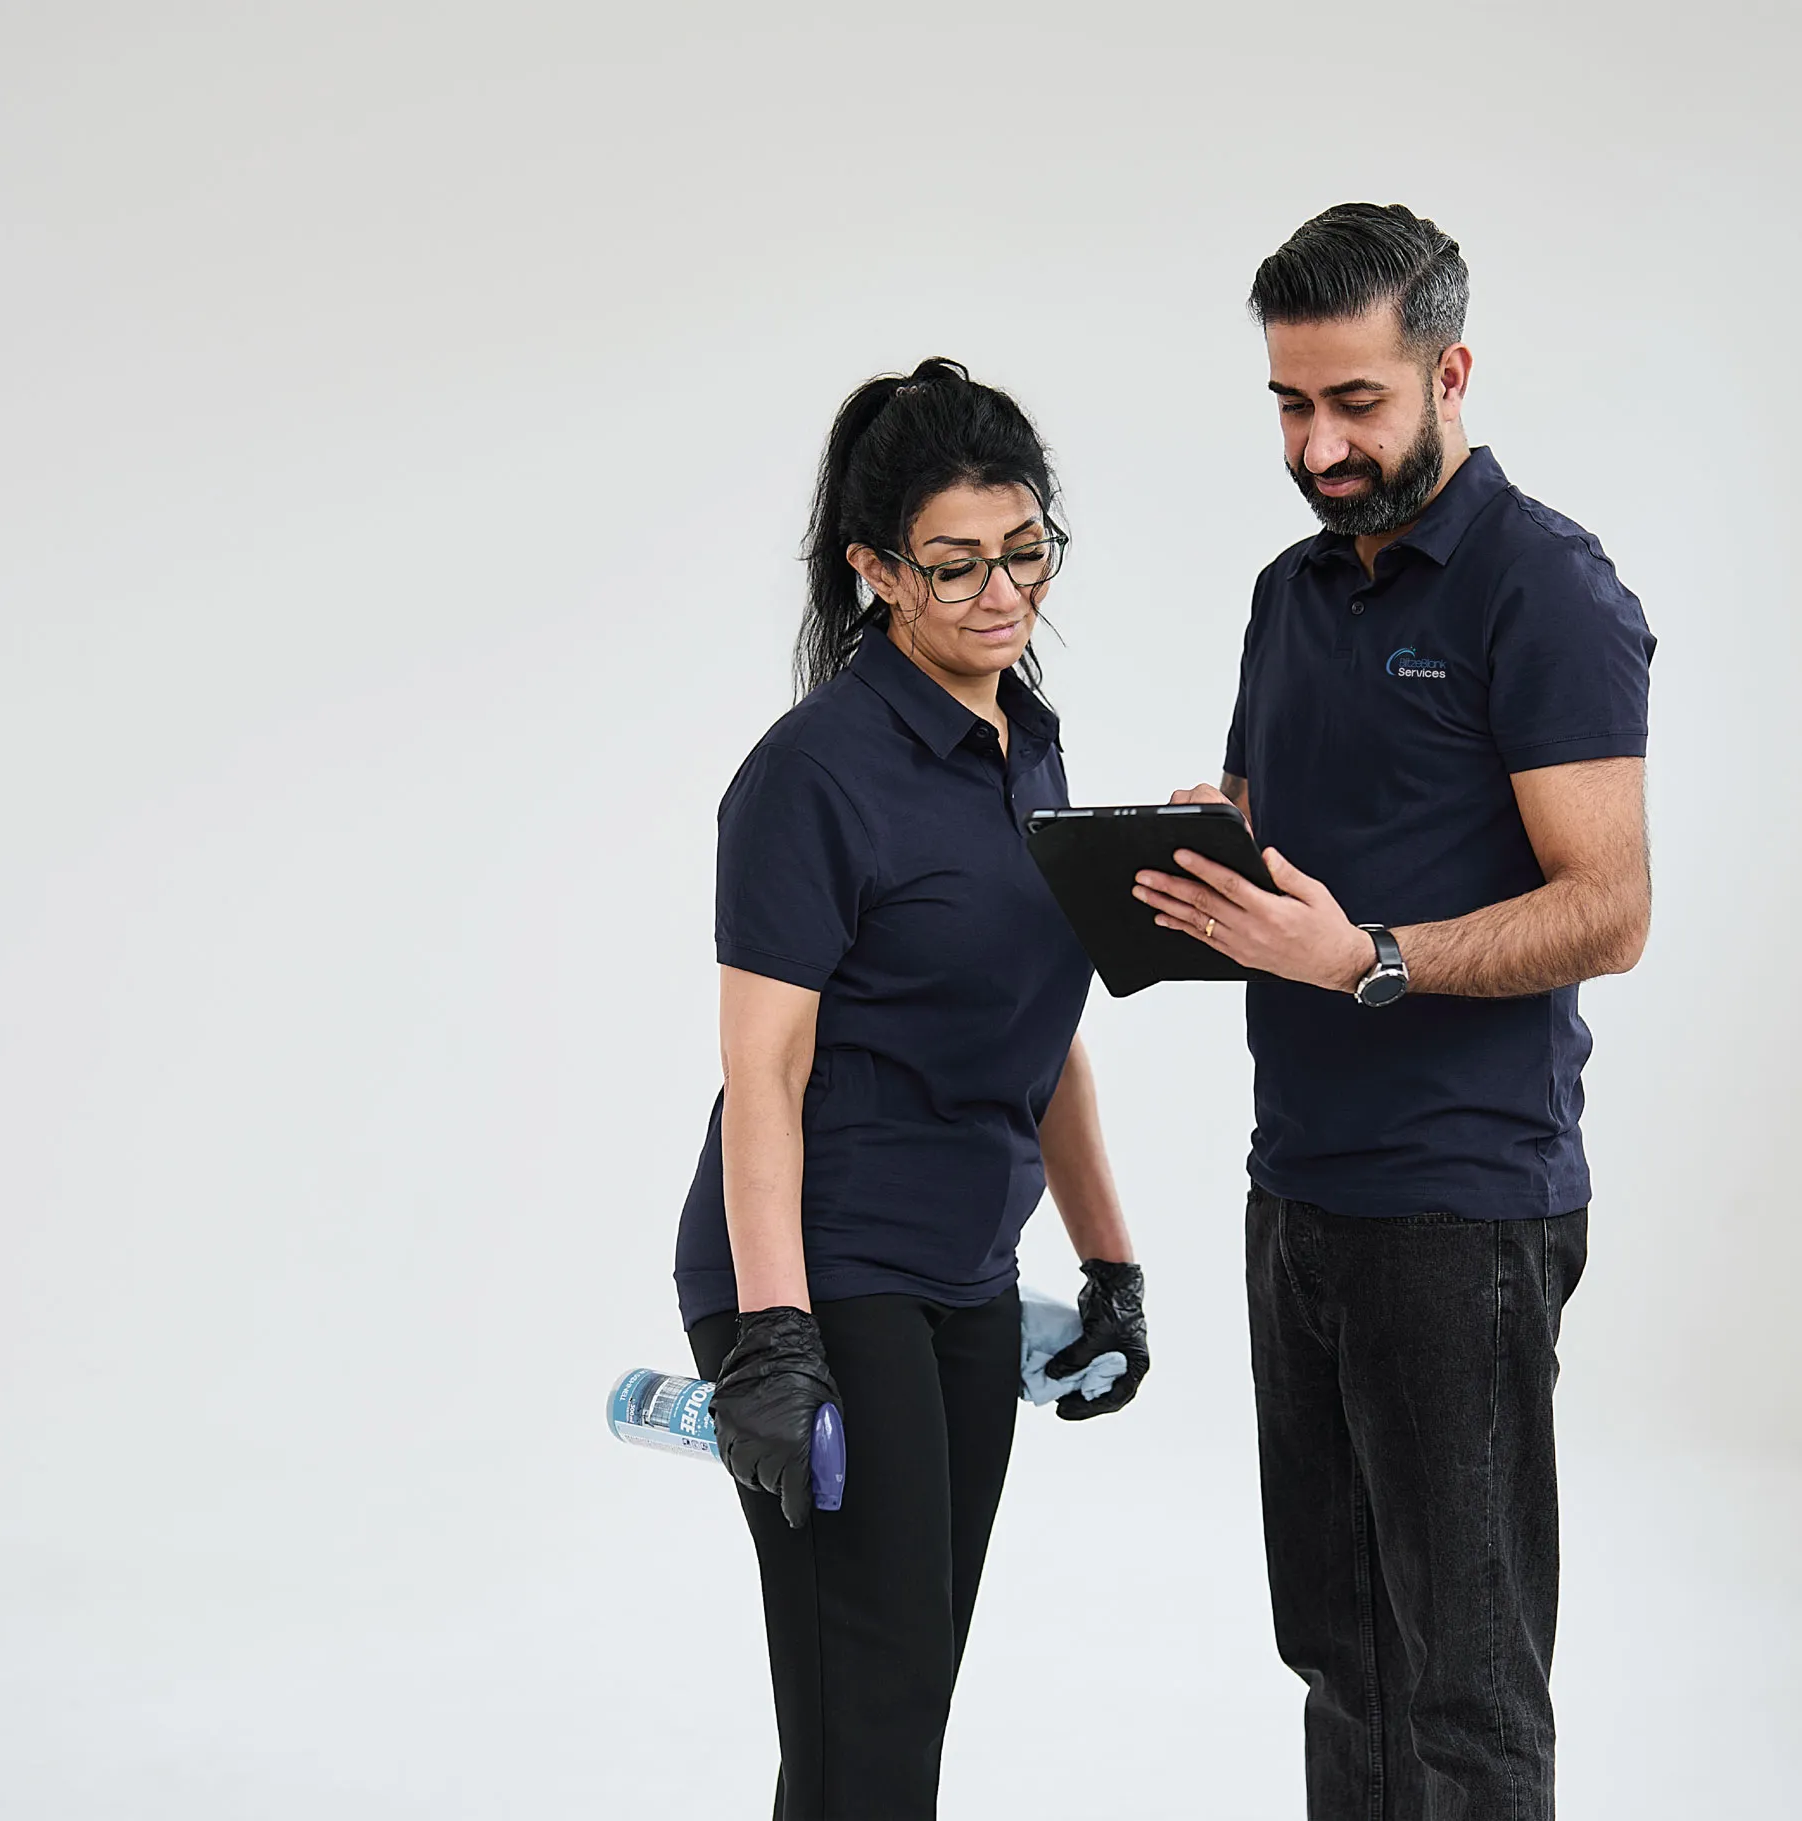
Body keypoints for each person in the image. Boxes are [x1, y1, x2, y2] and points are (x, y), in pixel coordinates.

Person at [1135, 205, 1655, 1819]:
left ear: (1450, 370)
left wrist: (1360, 955)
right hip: (1296, 1186)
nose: (1319, 444)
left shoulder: (1543, 586)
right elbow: (1305, 811)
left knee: (1466, 1686)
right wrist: (1209, 841)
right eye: (1291, 405)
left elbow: (1607, 907)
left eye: (1355, 402)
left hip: (1458, 1202)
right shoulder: (1290, 592)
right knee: (1339, 1656)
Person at [674, 358, 1149, 1820]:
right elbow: (764, 1065)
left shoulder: (1030, 742)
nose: (1001, 594)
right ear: (873, 569)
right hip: (823, 1267)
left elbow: (1043, 1019)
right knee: (862, 1730)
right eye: (953, 567)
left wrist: (1110, 1263)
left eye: (1026, 551)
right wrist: (772, 1337)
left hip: (964, 1270)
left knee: (900, 1710)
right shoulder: (811, 776)